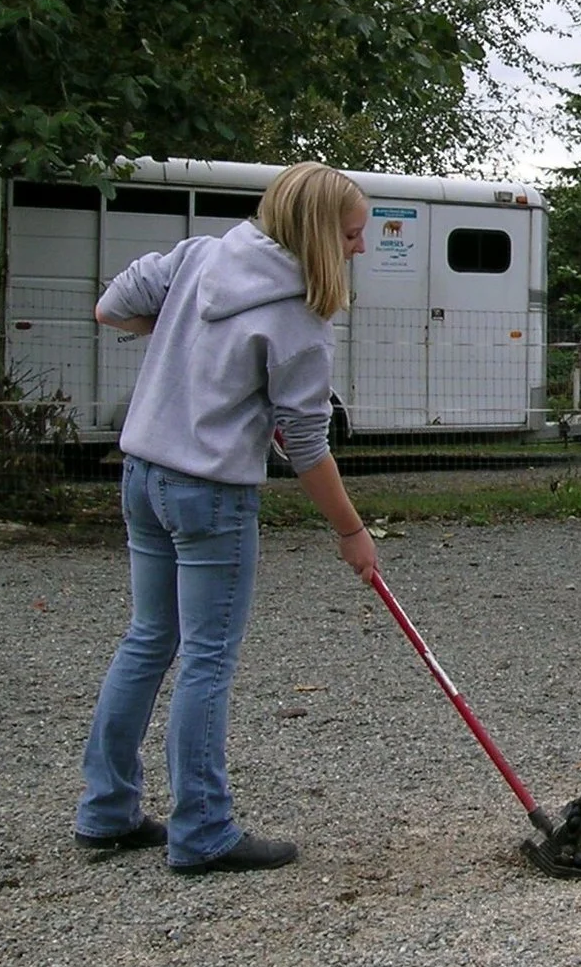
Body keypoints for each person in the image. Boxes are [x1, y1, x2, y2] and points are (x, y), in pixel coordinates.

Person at [73, 162, 380, 874]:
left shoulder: (202, 255)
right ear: (317, 235)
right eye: (354, 234)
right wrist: (351, 531)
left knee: (150, 638)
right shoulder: (299, 315)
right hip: (209, 493)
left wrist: (176, 330)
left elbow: (110, 307)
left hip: (144, 477)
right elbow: (305, 444)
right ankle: (203, 830)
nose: (361, 247)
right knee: (206, 657)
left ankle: (106, 810)